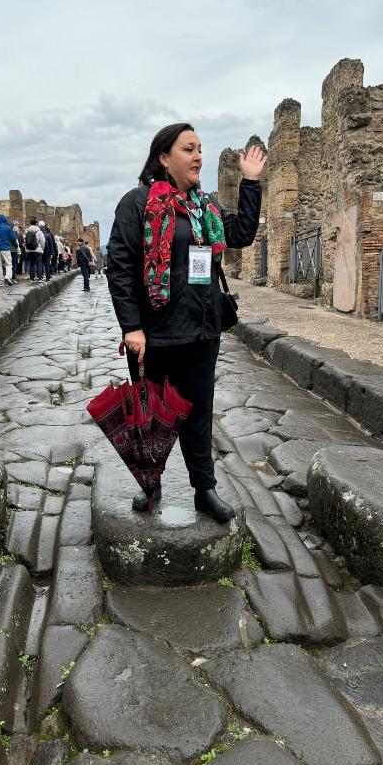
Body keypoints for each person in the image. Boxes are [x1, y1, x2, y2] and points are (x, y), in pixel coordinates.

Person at [107, 122, 265, 522]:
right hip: (154, 335)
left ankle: (204, 490)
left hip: (200, 331)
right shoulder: (137, 203)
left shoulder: (204, 206)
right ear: (163, 158)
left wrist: (250, 182)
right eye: (189, 149)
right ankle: (151, 483)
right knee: (154, 415)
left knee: (198, 413)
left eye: (200, 149)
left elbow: (242, 233)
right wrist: (131, 327)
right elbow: (120, 268)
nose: (198, 157)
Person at [0, 214, 18, 286]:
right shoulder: (7, 228)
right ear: (4, 220)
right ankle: (8, 277)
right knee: (8, 264)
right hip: (6, 248)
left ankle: (0, 281)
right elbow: (13, 238)